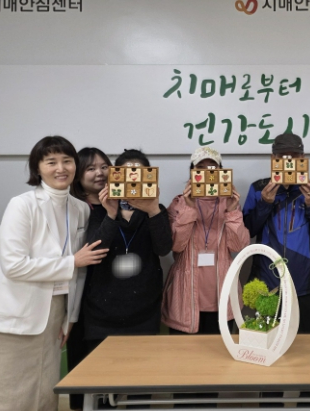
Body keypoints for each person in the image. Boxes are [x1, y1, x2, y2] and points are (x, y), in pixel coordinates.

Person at [0, 136, 108, 411]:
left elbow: (79, 273)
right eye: (51, 162)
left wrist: (70, 317)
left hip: (54, 315)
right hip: (13, 316)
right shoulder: (22, 204)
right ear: (38, 168)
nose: (61, 168)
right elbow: (13, 265)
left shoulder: (80, 208)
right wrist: (71, 262)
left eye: (67, 161)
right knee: (1, 396)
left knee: (43, 394)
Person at [81, 149, 172, 351]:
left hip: (144, 312)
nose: (132, 181)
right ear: (115, 178)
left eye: (139, 175)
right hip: (101, 314)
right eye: (125, 175)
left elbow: (163, 248)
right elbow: (95, 251)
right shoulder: (99, 211)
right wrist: (111, 213)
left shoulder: (157, 211)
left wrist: (153, 211)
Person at [242, 133, 310, 334]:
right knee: (268, 342)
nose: (288, 161)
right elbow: (248, 230)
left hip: (306, 285)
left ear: (302, 159)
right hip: (268, 284)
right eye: (282, 156)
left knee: (307, 343)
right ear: (273, 159)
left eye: (294, 156)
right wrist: (265, 203)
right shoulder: (258, 189)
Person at [163, 146, 250, 334]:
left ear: (220, 172)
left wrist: (232, 211)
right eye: (200, 168)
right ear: (192, 173)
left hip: (222, 296)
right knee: (183, 352)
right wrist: (189, 208)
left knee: (218, 351)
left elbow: (239, 246)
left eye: (212, 168)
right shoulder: (178, 203)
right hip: (185, 297)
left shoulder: (228, 202)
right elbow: (175, 245)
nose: (206, 174)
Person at [67, 146, 112, 410]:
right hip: (80, 295)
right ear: (79, 174)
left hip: (110, 294)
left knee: (108, 364)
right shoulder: (74, 207)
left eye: (104, 167)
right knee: (80, 358)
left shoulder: (121, 203)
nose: (99, 173)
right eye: (91, 168)